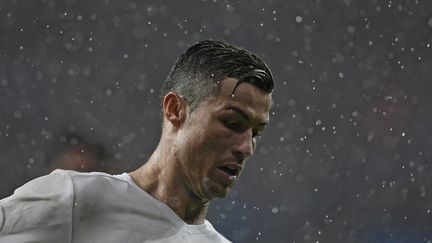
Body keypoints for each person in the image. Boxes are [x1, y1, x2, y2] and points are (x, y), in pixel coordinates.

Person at [0, 39, 274, 243]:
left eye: (256, 133)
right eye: (232, 123)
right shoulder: (78, 199)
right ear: (175, 110)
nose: (245, 147)